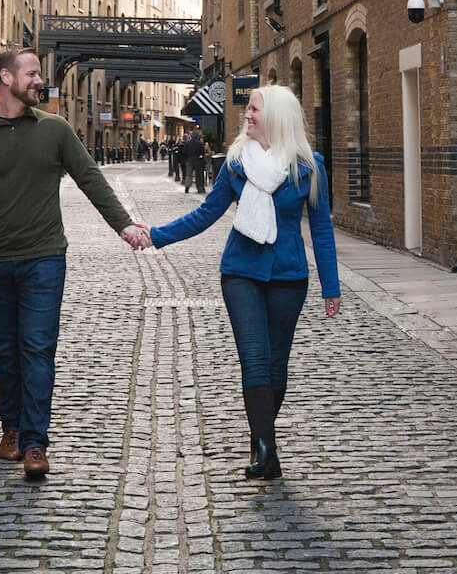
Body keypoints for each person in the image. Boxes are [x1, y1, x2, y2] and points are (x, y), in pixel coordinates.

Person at [0, 48, 151, 481]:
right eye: (32, 73)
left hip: (44, 258)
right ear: (5, 77)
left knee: (37, 348)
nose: (41, 81)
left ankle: (36, 442)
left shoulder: (54, 130)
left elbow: (91, 178)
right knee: (5, 352)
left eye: (40, 74)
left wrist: (124, 226)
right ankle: (12, 430)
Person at [143, 86, 339, 480]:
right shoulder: (235, 164)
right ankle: (266, 450)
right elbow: (205, 215)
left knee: (276, 366)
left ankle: (259, 435)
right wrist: (155, 235)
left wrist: (330, 286)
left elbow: (321, 229)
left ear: (277, 117)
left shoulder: (309, 166)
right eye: (248, 109)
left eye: (253, 110)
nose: (246, 116)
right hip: (240, 274)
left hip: (289, 277)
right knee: (254, 360)